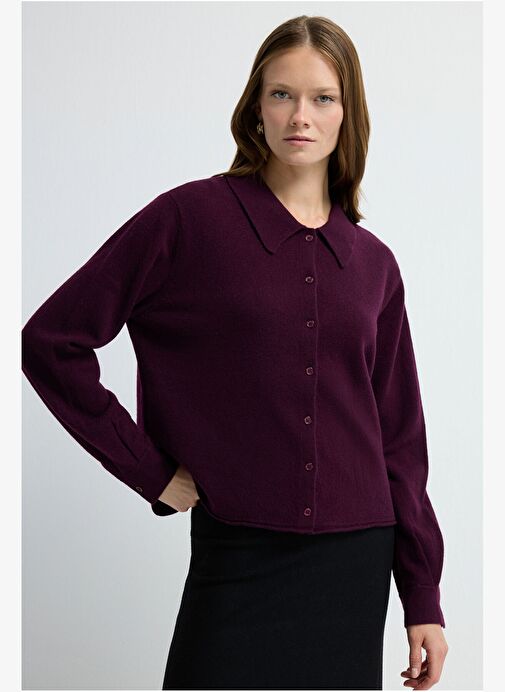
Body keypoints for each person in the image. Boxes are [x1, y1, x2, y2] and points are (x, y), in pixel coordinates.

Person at [21, 14, 449, 691]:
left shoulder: (374, 264)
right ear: (255, 108)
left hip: (354, 563)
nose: (300, 116)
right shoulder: (190, 221)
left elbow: (399, 439)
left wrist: (422, 595)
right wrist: (150, 470)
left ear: (348, 115)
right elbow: (51, 342)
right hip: (238, 552)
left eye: (322, 97)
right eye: (281, 94)